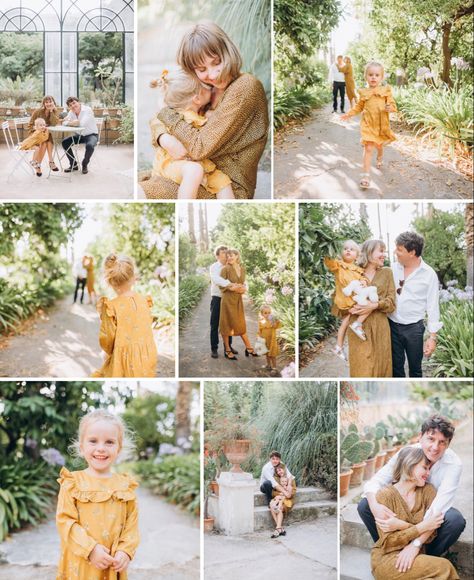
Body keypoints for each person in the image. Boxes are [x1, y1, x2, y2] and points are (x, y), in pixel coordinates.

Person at [143, 22, 269, 199]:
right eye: (201, 69)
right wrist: (164, 138)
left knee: (149, 190)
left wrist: (164, 112)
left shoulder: (245, 87)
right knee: (142, 184)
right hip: (196, 171)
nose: (213, 74)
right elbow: (169, 113)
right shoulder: (203, 88)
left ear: (228, 52)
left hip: (228, 186)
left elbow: (199, 147)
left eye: (217, 62)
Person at [359, 415, 465, 577]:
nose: (435, 447)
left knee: (454, 520)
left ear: (448, 445)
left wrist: (415, 544)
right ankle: (389, 549)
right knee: (365, 505)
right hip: (402, 526)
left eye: (442, 442)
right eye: (431, 439)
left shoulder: (452, 465)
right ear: (420, 437)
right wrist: (375, 505)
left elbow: (437, 512)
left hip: (428, 516)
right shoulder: (407, 454)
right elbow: (375, 482)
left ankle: (425, 556)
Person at [56, 409, 139, 579]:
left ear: (119, 447)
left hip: (112, 563)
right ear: (82, 446)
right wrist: (90, 549)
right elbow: (65, 521)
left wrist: (125, 550)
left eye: (109, 442)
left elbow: (132, 525)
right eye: (93, 441)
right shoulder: (72, 483)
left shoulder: (125, 486)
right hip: (81, 563)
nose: (101, 448)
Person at [370, 446, 459, 579]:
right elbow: (388, 541)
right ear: (409, 465)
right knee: (444, 567)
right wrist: (422, 527)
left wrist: (402, 525)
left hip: (416, 554)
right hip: (388, 559)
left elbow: (431, 533)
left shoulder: (428, 491)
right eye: (424, 467)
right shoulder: (385, 495)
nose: (428, 473)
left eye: (429, 468)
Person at [150, 68, 235, 199]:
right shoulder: (181, 117)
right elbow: (156, 122)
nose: (211, 88)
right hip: (172, 164)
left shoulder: (195, 115)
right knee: (194, 170)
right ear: (196, 99)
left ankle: (229, 216)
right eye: (206, 86)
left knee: (223, 181)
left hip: (199, 162)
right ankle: (184, 208)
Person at [92, 253, 158, 378]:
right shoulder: (144, 301)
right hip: (148, 357)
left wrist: (107, 354)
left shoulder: (111, 307)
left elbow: (107, 341)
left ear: (109, 281)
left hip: (123, 362)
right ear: (133, 277)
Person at [389, 232, 442, 378]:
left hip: (414, 329)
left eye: (399, 249)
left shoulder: (429, 274)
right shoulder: (393, 268)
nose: (395, 252)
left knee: (416, 369)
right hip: (392, 325)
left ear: (412, 252)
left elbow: (433, 306)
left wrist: (432, 337)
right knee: (395, 369)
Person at [341, 62, 397, 189]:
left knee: (379, 145)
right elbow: (359, 107)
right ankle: (365, 175)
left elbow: (393, 105)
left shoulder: (385, 91)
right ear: (366, 76)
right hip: (368, 125)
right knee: (368, 148)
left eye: (377, 75)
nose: (373, 77)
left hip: (381, 125)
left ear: (381, 77)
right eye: (371, 75)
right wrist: (349, 114)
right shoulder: (364, 93)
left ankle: (380, 155)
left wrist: (390, 108)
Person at [346, 239, 396, 377]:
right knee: (361, 369)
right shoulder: (353, 273)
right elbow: (341, 300)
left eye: (384, 251)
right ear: (369, 252)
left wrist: (374, 305)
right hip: (357, 329)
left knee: (382, 367)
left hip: (380, 328)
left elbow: (392, 303)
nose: (384, 255)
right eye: (381, 251)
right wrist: (349, 307)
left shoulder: (387, 272)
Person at [324, 240, 373, 362]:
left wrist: (363, 282)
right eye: (345, 248)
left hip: (355, 299)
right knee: (370, 305)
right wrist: (327, 246)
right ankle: (357, 324)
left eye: (352, 249)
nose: (348, 250)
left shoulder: (357, 269)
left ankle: (338, 347)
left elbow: (364, 279)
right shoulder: (339, 265)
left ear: (357, 255)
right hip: (346, 300)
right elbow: (329, 263)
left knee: (345, 323)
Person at [219, 248, 257, 360]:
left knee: (240, 324)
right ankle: (227, 349)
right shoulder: (225, 269)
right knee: (226, 325)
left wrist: (244, 289)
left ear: (237, 256)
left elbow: (243, 283)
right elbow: (221, 285)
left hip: (238, 300)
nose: (229, 258)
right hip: (227, 300)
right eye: (228, 256)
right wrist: (232, 288)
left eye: (231, 255)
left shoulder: (242, 269)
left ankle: (248, 347)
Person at [209, 245, 244, 358]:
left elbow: (240, 279)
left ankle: (228, 347)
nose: (226, 254)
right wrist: (231, 285)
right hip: (217, 298)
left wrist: (241, 287)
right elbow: (217, 279)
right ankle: (214, 348)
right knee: (215, 324)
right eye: (223, 252)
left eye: (227, 252)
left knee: (229, 323)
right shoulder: (214, 267)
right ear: (217, 255)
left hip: (229, 299)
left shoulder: (231, 266)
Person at [62, 96, 99, 174]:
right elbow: (63, 122)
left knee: (90, 146)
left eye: (74, 103)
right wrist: (72, 122)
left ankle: (85, 163)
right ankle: (73, 164)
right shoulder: (71, 112)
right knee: (65, 142)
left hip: (91, 135)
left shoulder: (87, 110)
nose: (72, 106)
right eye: (70, 105)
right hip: (79, 136)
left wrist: (71, 123)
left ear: (78, 102)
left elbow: (81, 124)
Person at [27, 95, 59, 174]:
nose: (48, 104)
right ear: (44, 103)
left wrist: (51, 111)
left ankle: (41, 165)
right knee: (44, 142)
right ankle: (50, 162)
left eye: (50, 102)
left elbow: (54, 123)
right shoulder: (38, 112)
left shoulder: (55, 112)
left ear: (53, 103)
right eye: (46, 102)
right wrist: (38, 129)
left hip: (45, 134)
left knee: (47, 139)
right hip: (35, 134)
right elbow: (30, 125)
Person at [269, 464, 296, 538]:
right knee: (271, 505)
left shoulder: (291, 479)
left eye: (280, 469)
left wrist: (286, 493)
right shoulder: (276, 479)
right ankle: (280, 528)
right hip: (279, 498)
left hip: (288, 500)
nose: (279, 472)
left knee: (279, 508)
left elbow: (293, 492)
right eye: (277, 471)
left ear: (284, 469)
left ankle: (278, 528)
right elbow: (273, 492)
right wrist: (279, 493)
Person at [257, 304, 281, 374]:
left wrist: (276, 321)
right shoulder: (261, 321)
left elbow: (277, 325)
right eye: (265, 313)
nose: (267, 314)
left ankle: (274, 367)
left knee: (272, 355)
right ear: (262, 314)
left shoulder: (272, 321)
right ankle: (268, 365)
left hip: (272, 341)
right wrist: (259, 338)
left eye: (269, 313)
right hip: (265, 340)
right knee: (267, 354)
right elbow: (259, 330)